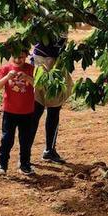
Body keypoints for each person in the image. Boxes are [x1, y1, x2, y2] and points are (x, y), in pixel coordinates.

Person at [0, 50, 36, 176]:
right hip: (10, 111)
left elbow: (39, 85)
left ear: (26, 57)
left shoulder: (31, 68)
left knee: (25, 140)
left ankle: (24, 164)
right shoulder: (6, 68)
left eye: (22, 57)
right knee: (7, 139)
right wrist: (7, 77)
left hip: (27, 111)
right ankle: (2, 165)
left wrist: (27, 78)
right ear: (11, 55)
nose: (19, 60)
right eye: (16, 57)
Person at [31, 32, 71, 163]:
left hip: (57, 64)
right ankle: (25, 155)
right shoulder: (43, 15)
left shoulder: (65, 16)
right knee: (36, 110)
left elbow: (83, 25)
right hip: (41, 63)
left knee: (53, 109)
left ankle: (49, 151)